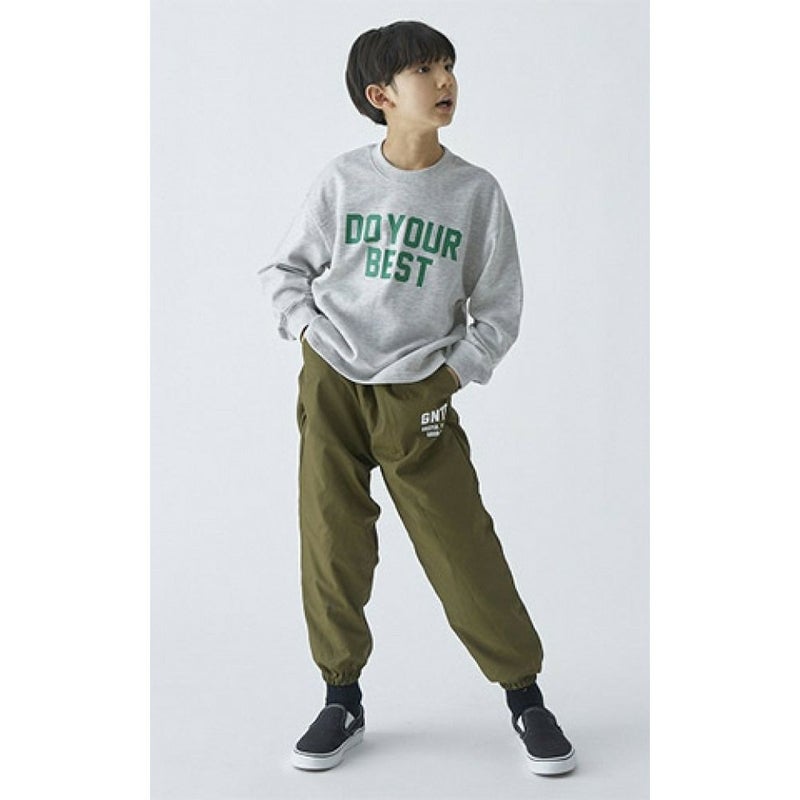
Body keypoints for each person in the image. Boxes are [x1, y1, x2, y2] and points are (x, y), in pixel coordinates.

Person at [258, 20, 576, 777]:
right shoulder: (343, 180)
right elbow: (285, 272)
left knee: (461, 545)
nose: (444, 81)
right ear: (381, 95)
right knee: (331, 540)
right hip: (333, 383)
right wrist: (310, 332)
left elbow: (498, 310)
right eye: (424, 71)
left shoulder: (474, 192)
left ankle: (525, 695)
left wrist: (450, 377)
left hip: (418, 393)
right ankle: (341, 697)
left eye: (447, 66)